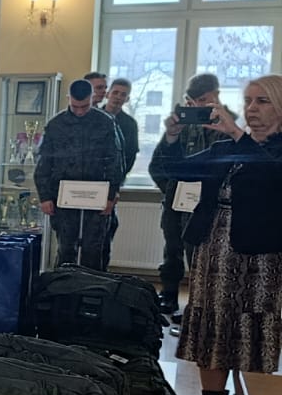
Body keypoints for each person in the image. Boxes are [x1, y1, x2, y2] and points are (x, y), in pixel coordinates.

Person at [159, 75, 282, 395]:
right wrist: (172, 136)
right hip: (213, 252)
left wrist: (238, 135)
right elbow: (172, 168)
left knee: (249, 336)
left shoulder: (272, 150)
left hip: (259, 259)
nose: (251, 108)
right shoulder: (227, 147)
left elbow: (270, 176)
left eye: (262, 101)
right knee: (211, 332)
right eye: (248, 100)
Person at [148, 72, 221, 318]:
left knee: (200, 255)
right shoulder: (182, 125)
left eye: (204, 100)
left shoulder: (227, 124)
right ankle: (169, 295)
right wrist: (173, 189)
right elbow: (158, 165)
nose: (199, 106)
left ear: (216, 95)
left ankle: (198, 304)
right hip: (176, 202)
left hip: (207, 205)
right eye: (194, 101)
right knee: (172, 249)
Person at [36, 79, 124, 270]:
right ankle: (64, 286)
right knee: (66, 248)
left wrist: (111, 196)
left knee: (94, 249)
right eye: (75, 106)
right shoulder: (55, 125)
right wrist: (44, 197)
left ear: (92, 98)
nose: (80, 111)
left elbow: (115, 161)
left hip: (97, 195)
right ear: (69, 99)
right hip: (63, 196)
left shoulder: (105, 122)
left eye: (84, 106)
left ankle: (93, 287)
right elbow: (44, 164)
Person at [101, 77, 139, 266]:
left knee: (105, 233)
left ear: (127, 99)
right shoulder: (92, 117)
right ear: (108, 94)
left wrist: (117, 181)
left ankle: (100, 273)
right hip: (87, 184)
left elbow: (129, 156)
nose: (118, 97)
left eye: (123, 95)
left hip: (111, 187)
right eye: (115, 92)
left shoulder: (129, 124)